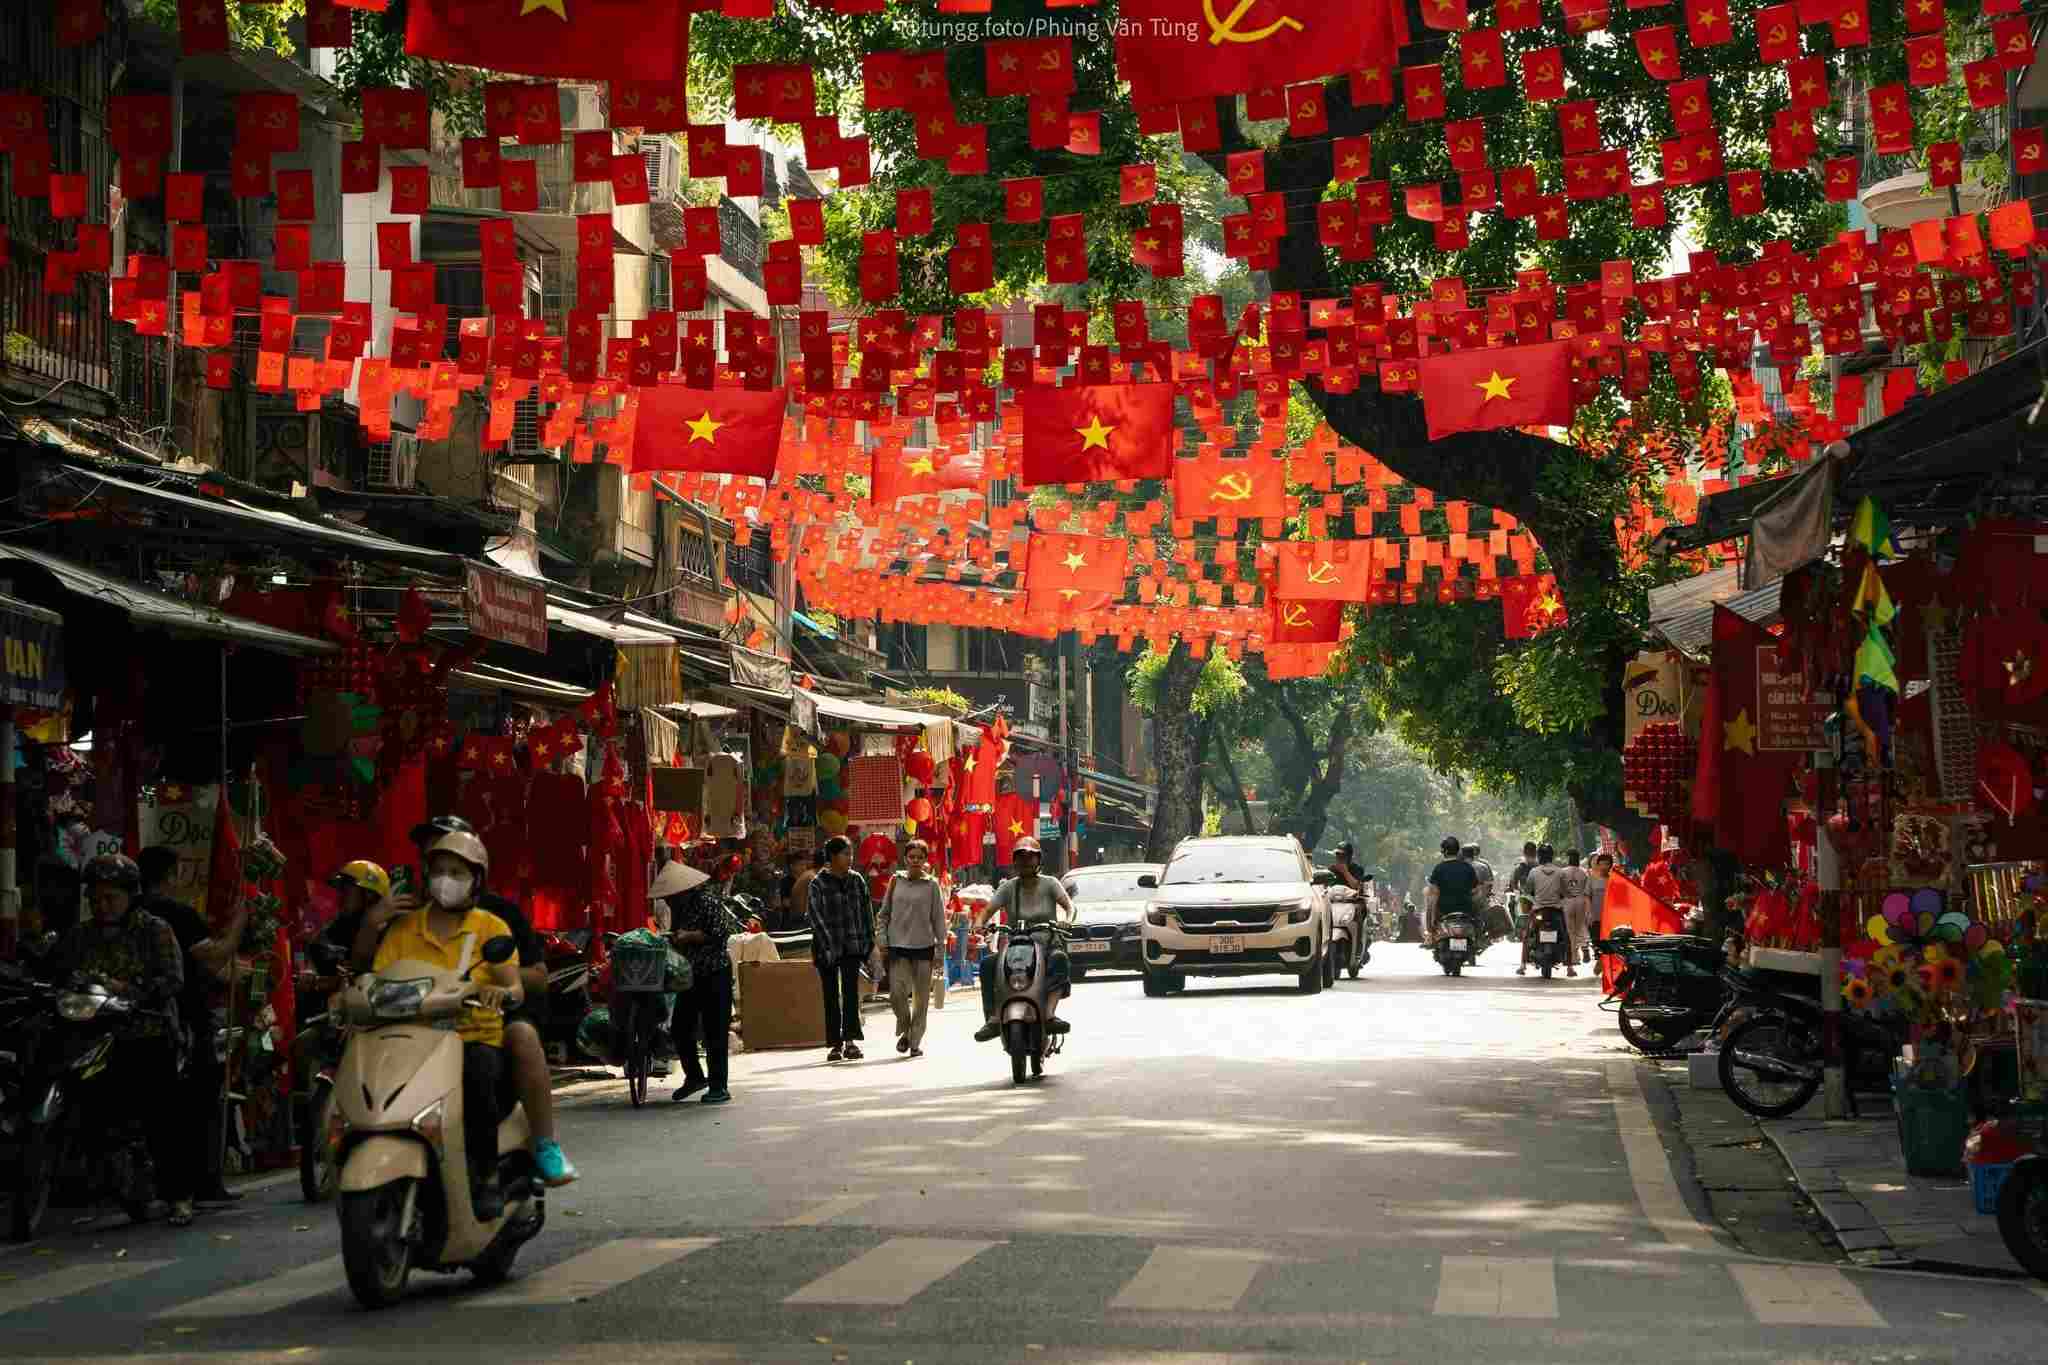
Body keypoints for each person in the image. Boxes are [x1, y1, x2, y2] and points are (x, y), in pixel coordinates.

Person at [350, 817, 577, 1187]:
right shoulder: (403, 919)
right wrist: (372, 923)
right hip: (414, 1025)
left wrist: (489, 987)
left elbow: (531, 977)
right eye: (436, 863)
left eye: (455, 866)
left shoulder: (495, 920)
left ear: (475, 868)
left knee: (504, 1051)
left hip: (482, 1022)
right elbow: (370, 972)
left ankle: (529, 1150)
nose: (444, 875)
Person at [371, 829, 522, 1219]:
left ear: (476, 880)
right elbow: (378, 977)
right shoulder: (403, 929)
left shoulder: (492, 928)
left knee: (478, 1077)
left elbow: (512, 983)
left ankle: (485, 1175)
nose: (446, 879)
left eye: (457, 871)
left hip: (471, 1035)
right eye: (439, 870)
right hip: (410, 1038)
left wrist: (499, 993)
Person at [48, 853, 193, 1225]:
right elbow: (55, 972)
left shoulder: (154, 930)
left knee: (163, 1119)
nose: (103, 906)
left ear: (130, 897)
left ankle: (178, 1197)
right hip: (92, 1036)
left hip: (148, 1032)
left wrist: (129, 989)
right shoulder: (79, 936)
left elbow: (172, 980)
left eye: (110, 898)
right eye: (95, 899)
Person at [137, 846, 251, 1211]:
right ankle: (201, 1183)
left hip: (142, 1017)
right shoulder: (173, 914)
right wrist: (238, 923)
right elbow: (214, 956)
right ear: (171, 875)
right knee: (200, 1101)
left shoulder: (132, 912)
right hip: (180, 1019)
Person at [971, 839, 1074, 1043]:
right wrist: (978, 924)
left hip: (1046, 944)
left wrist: (1067, 922)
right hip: (1016, 947)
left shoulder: (1050, 883)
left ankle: (1050, 1014)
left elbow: (1070, 907)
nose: (1025, 862)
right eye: (1021, 857)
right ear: (1014, 861)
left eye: (1030, 857)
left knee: (1060, 959)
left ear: (1038, 860)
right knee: (987, 965)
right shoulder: (1009, 887)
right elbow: (987, 911)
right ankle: (993, 1018)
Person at [656, 859, 735, 1105]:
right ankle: (694, 1077)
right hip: (691, 975)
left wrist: (689, 936)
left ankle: (719, 1086)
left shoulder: (706, 901)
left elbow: (722, 931)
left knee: (715, 1031)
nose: (668, 901)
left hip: (715, 972)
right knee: (680, 1027)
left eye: (671, 896)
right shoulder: (682, 908)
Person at [806, 835, 873, 1062]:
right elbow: (815, 917)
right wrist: (828, 945)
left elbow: (866, 914)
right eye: (846, 854)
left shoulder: (857, 881)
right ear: (833, 857)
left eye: (851, 853)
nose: (850, 858)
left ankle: (851, 1041)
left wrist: (868, 944)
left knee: (851, 994)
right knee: (831, 995)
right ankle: (834, 1044)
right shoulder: (818, 883)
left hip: (853, 945)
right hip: (826, 948)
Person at [879, 839, 947, 1058]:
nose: (916, 861)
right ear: (906, 859)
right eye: (912, 857)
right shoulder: (895, 881)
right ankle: (905, 1027)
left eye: (920, 857)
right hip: (898, 945)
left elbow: (939, 920)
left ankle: (914, 1041)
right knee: (897, 994)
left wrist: (940, 950)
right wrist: (882, 938)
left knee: (921, 1001)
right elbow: (884, 914)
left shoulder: (932, 885)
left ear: (925, 860)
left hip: (924, 947)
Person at [1519, 843, 1572, 977]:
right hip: (1556, 910)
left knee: (1527, 935)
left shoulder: (1533, 872)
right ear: (1552, 856)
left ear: (1539, 856)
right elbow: (1566, 891)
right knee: (1566, 936)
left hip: (1538, 910)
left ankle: (1523, 965)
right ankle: (1570, 968)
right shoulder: (1561, 872)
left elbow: (1527, 890)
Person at [1423, 835, 1478, 946]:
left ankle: (1430, 936)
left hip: (1444, 908)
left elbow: (1434, 892)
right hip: (1466, 908)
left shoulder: (1439, 868)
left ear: (1444, 851)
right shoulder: (1467, 867)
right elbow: (1475, 889)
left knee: (1429, 898)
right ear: (1458, 851)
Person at [1560, 849, 1594, 964]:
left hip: (1567, 901)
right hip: (1580, 901)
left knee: (1570, 929)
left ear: (1568, 858)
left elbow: (1560, 888)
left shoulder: (1562, 872)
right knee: (1581, 926)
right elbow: (1587, 889)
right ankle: (1584, 947)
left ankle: (1574, 957)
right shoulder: (1584, 872)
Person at [1506, 841, 1540, 909]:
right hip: (1527, 899)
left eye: (1531, 852)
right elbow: (1513, 883)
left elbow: (1513, 884)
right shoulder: (1520, 867)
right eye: (1529, 853)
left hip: (1536, 899)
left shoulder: (1540, 866)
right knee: (1511, 904)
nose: (1530, 855)